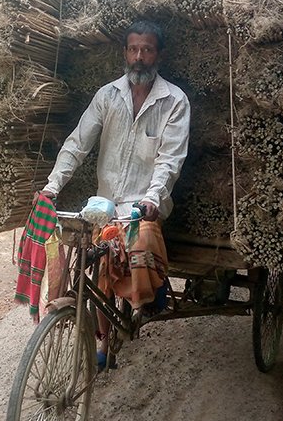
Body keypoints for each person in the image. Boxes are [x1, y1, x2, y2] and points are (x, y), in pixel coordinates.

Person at [39, 20, 191, 369]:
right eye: (134, 49)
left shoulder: (174, 101)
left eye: (147, 49)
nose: (139, 57)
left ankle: (145, 303)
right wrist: (51, 188)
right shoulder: (107, 96)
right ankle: (104, 337)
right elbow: (77, 144)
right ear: (125, 53)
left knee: (132, 262)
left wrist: (152, 198)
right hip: (104, 204)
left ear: (158, 55)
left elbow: (169, 160)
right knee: (94, 266)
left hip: (144, 206)